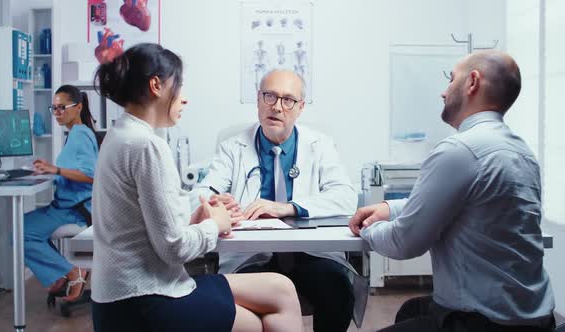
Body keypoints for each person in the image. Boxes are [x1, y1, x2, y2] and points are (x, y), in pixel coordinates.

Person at [90, 43, 302, 332]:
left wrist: (196, 218)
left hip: (121, 297)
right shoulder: (147, 146)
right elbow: (175, 249)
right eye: (179, 87)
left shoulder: (120, 135)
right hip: (146, 300)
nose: (185, 99)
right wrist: (215, 224)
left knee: (282, 289)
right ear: (157, 85)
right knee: (253, 323)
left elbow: (151, 229)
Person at [350, 50, 555, 332]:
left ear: (472, 82)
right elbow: (457, 202)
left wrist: (366, 232)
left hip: (482, 324)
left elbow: (404, 242)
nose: (444, 92)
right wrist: (389, 208)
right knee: (412, 309)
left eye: (451, 79)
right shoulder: (522, 152)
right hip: (535, 319)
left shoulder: (459, 150)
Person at [190, 69, 358, 332]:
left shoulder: (320, 145)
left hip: (311, 255)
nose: (277, 107)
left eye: (288, 100)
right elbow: (198, 195)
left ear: (300, 107)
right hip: (251, 257)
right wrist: (213, 204)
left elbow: (347, 197)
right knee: (240, 306)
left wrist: (288, 207)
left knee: (338, 290)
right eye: (270, 96)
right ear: (258, 100)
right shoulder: (232, 147)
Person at [24, 84, 99, 302]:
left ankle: (71, 272)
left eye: (62, 108)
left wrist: (55, 170)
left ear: (78, 107)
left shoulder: (81, 134)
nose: (57, 113)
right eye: (54, 108)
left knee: (21, 233)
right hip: (64, 206)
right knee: (20, 230)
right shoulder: (74, 134)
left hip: (75, 211)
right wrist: (48, 172)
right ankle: (63, 272)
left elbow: (91, 175)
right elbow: (73, 171)